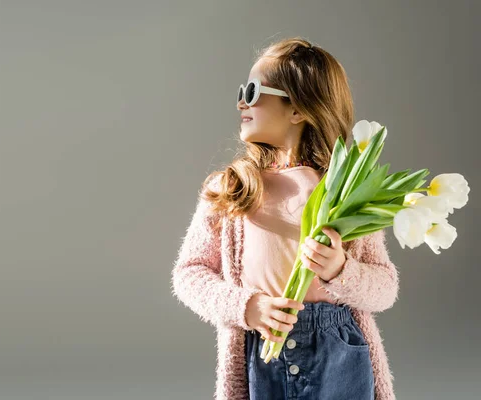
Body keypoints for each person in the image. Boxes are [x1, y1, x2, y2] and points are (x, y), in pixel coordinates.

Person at [171, 37, 399, 400]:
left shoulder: (342, 191)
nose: (241, 101)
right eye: (241, 90)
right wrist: (247, 307)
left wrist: (341, 269)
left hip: (337, 350)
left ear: (296, 109)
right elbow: (189, 273)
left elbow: (385, 287)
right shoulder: (232, 188)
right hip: (262, 347)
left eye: (253, 90)